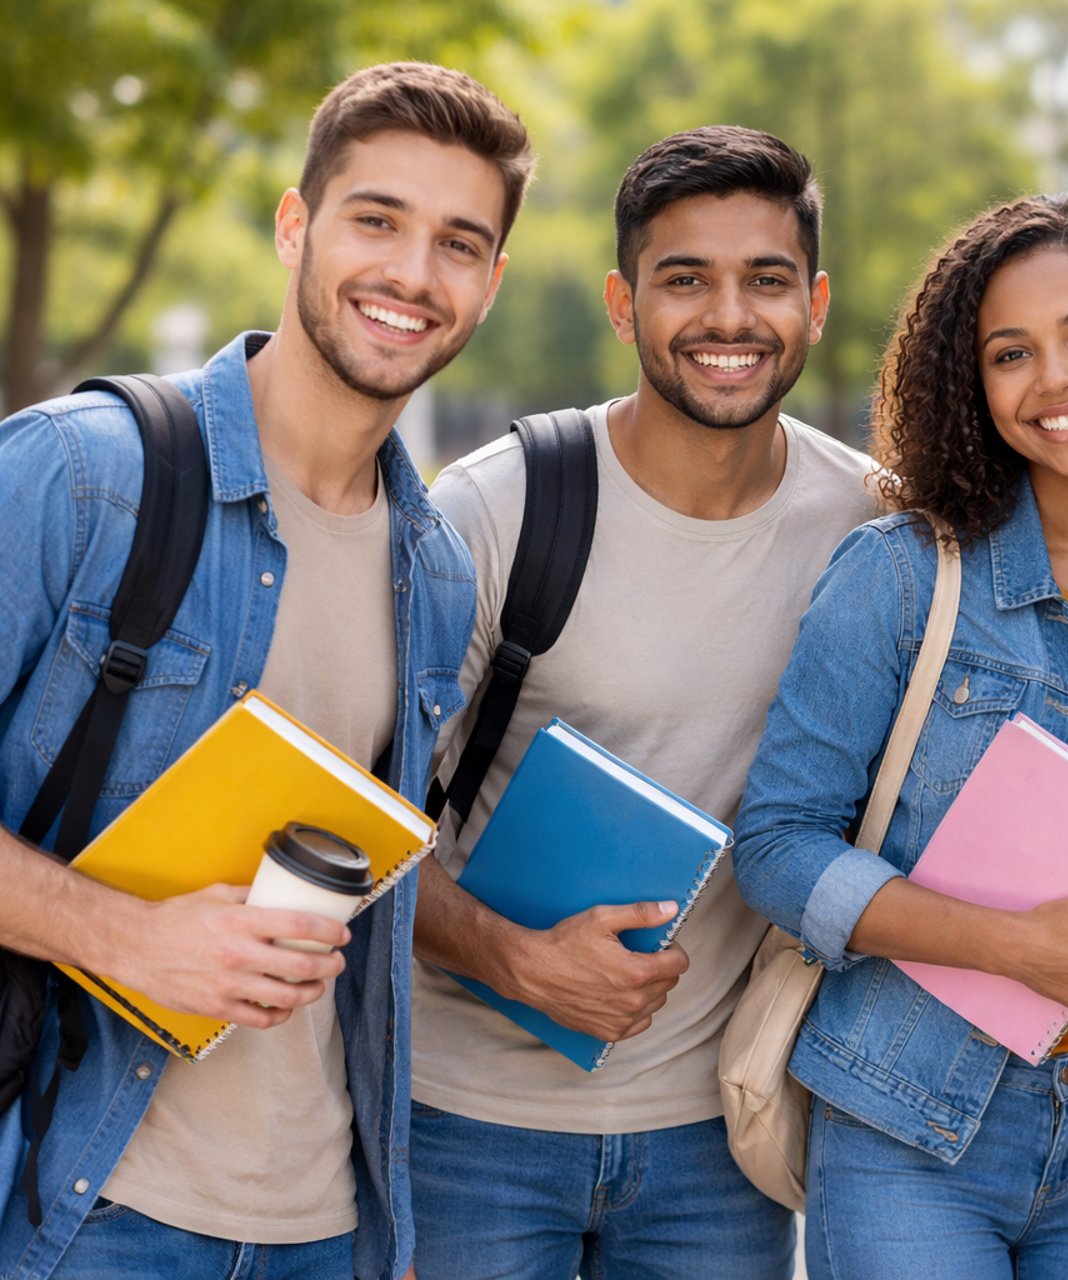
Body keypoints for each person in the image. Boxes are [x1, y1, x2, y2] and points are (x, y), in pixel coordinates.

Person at [0, 62, 531, 1280]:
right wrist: (122, 935)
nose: (412, 274)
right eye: (376, 219)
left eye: (459, 243)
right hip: (86, 1210)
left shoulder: (436, 567)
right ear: (296, 226)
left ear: (492, 285)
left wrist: (381, 1221)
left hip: (320, 1224)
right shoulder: (84, 475)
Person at [731, 193, 1068, 1279]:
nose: (1056, 378)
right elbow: (778, 844)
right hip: (905, 1116)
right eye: (1012, 352)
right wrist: (1005, 943)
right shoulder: (904, 573)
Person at [406, 125, 875, 1280]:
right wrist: (509, 954)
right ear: (624, 305)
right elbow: (349, 814)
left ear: (814, 303)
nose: (729, 317)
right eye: (684, 280)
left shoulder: (868, 528)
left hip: (720, 1138)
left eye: (765, 280)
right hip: (463, 1123)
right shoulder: (498, 508)